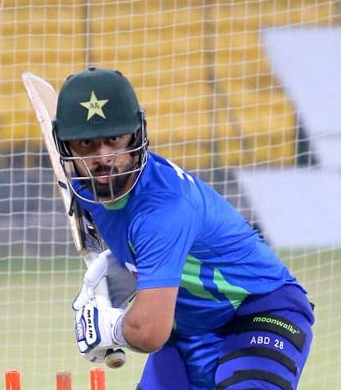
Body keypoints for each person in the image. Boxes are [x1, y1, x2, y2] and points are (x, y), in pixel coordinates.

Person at [56, 67, 315, 390]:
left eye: (114, 139)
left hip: (259, 310)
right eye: (86, 144)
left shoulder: (164, 208)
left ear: (137, 134)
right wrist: (125, 268)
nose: (104, 158)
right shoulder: (89, 191)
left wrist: (112, 327)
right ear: (66, 147)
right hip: (189, 329)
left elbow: (149, 331)